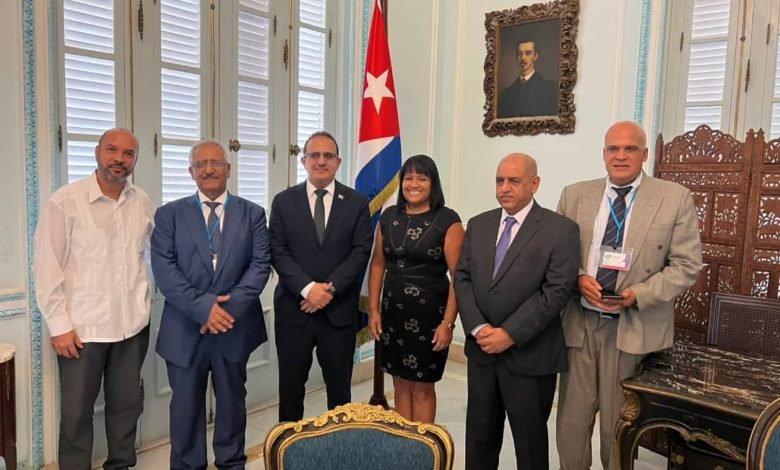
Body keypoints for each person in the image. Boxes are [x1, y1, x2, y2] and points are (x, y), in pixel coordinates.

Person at [555, 121, 702, 470]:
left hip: (632, 328)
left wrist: (639, 294)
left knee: (617, 428)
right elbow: (556, 255)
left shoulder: (674, 198)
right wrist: (578, 278)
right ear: (604, 153)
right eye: (613, 149)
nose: (620, 156)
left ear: (645, 154)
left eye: (630, 149)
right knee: (571, 424)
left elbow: (687, 265)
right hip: (580, 323)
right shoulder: (574, 195)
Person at [34, 128, 154, 469]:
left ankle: (120, 465)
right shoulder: (65, 201)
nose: (119, 159)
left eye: (128, 154)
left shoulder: (142, 202)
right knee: (76, 413)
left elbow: (151, 256)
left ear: (135, 160)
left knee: (127, 406)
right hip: (81, 332)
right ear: (97, 153)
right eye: (112, 150)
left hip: (132, 327)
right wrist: (59, 325)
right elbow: (46, 267)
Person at [454, 154, 580, 470]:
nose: (505, 188)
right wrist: (478, 328)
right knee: (480, 439)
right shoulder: (479, 224)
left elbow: (557, 290)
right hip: (483, 353)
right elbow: (463, 277)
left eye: (514, 181)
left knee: (530, 444)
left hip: (530, 356)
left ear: (534, 184)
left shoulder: (560, 230)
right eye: (500, 181)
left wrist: (510, 334)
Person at [151, 139, 271, 469]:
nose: (208, 169)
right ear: (191, 172)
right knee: (185, 409)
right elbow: (165, 270)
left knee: (232, 405)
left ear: (228, 169)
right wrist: (204, 308)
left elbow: (260, 265)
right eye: (200, 164)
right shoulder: (169, 215)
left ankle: (231, 463)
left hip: (234, 326)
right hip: (185, 328)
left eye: (216, 162)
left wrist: (225, 312)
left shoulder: (253, 213)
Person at [269, 131, 373, 422]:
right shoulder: (283, 201)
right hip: (294, 310)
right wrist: (307, 289)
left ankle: (337, 447)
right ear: (303, 161)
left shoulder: (356, 202)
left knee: (340, 394)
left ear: (338, 162)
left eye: (328, 156)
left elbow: (361, 251)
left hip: (338, 312)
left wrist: (328, 290)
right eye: (314, 155)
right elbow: (277, 251)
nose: (321, 161)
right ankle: (289, 447)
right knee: (291, 390)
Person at [367, 155, 464, 423]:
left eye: (422, 178)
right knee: (399, 382)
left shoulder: (448, 220)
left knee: (422, 387)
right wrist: (373, 310)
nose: (414, 184)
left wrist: (448, 323)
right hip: (393, 314)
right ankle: (404, 443)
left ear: (433, 183)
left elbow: (459, 277)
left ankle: (423, 446)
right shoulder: (389, 217)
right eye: (408, 178)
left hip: (430, 317)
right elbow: (378, 264)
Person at [496, 39, 558, 118]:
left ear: (535, 56)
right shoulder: (505, 95)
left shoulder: (550, 89)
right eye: (520, 54)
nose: (523, 58)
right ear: (516, 57)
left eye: (528, 53)